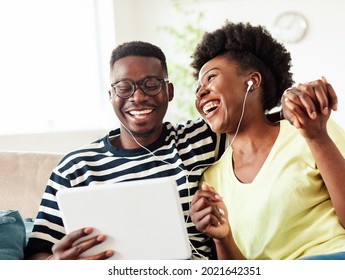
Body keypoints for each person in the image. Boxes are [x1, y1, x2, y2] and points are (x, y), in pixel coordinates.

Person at [24, 41, 225, 260]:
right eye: (123, 87)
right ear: (110, 95)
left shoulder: (202, 137)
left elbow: (258, 122)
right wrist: (58, 265)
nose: (137, 97)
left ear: (169, 91)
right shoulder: (75, 168)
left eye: (151, 84)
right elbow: (37, 256)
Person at [189, 21, 345, 260]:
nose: (201, 92)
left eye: (211, 78)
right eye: (198, 88)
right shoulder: (211, 180)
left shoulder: (308, 128)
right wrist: (223, 238)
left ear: (252, 81)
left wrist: (317, 138)